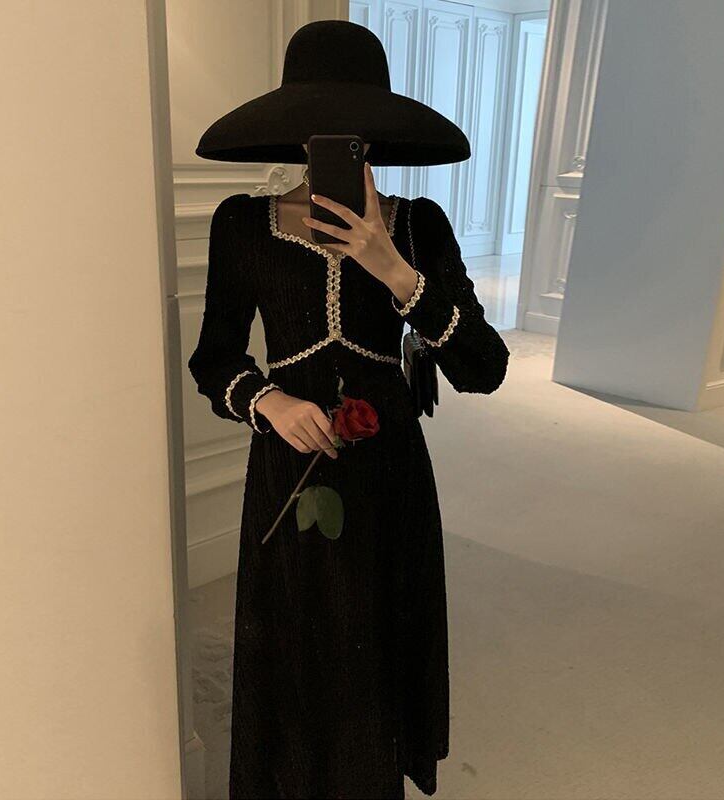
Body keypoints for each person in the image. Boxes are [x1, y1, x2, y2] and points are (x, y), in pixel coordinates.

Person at [188, 20, 510, 800]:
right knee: (295, 631)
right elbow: (214, 358)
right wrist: (267, 399)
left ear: (373, 139)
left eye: (353, 134)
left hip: (390, 473)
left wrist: (393, 269)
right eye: (321, 130)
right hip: (288, 467)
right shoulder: (243, 224)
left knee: (378, 629)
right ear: (298, 135)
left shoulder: (418, 226)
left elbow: (485, 369)